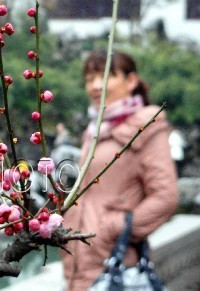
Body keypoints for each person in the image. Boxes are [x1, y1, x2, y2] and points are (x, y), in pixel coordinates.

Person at [61, 50, 179, 290]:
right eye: (89, 79)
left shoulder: (145, 128)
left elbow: (166, 196)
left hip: (113, 264)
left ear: (131, 80)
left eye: (105, 77)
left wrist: (111, 227)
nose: (95, 86)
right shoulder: (96, 131)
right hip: (82, 268)